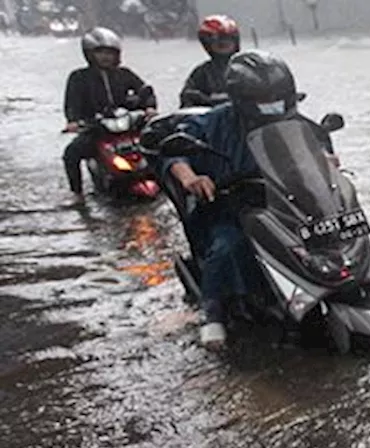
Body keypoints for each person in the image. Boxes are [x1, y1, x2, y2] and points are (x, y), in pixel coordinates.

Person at [161, 50, 305, 350]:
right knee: (227, 245)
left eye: (277, 97)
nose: (271, 106)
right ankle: (213, 314)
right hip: (230, 206)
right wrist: (190, 177)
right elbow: (175, 152)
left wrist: (326, 160)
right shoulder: (215, 123)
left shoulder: (293, 120)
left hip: (284, 206)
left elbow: (315, 148)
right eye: (263, 99)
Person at [62, 27, 157, 203]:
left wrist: (149, 108)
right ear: (89, 54)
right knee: (71, 153)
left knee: (159, 143)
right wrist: (73, 121)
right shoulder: (78, 78)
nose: (106, 57)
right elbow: (72, 104)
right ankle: (77, 193)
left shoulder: (124, 74)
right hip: (96, 128)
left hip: (128, 126)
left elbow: (144, 90)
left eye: (110, 53)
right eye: (100, 52)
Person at [180, 14, 240, 108]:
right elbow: (187, 98)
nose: (224, 43)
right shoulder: (201, 73)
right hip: (214, 120)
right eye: (219, 42)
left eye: (228, 40)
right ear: (208, 45)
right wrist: (201, 100)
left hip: (246, 118)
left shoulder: (246, 67)